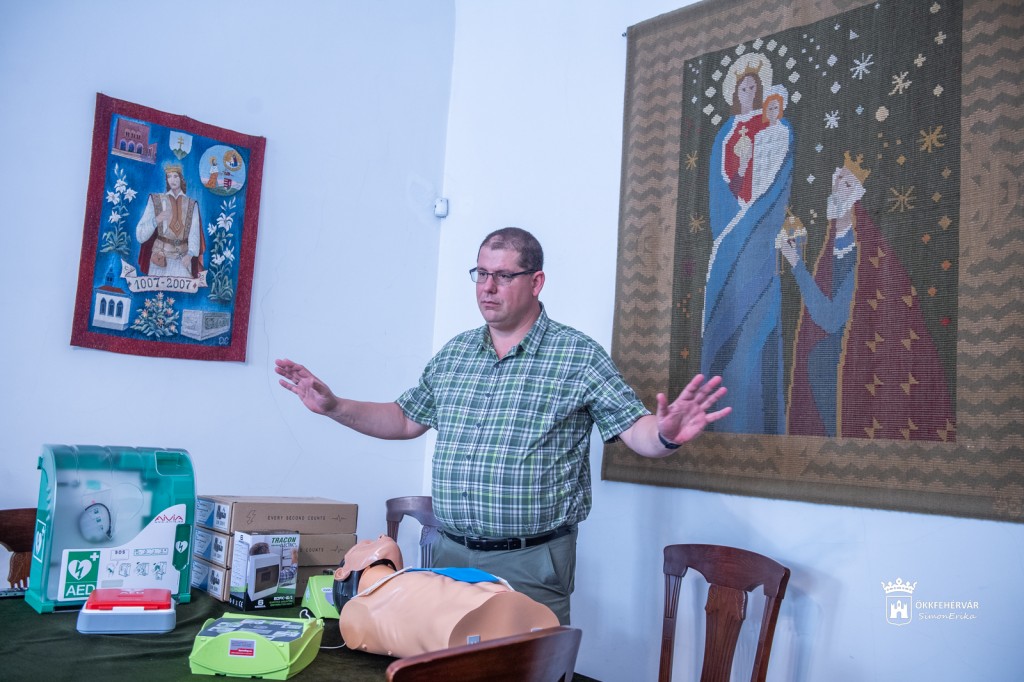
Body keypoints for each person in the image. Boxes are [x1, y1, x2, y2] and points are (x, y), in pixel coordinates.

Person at [276, 227, 731, 624]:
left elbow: (636, 432)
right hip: (449, 557)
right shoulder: (455, 354)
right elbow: (404, 419)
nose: (487, 287)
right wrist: (334, 406)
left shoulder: (577, 355)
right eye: (480, 274)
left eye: (503, 276)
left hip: (531, 562)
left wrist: (666, 433)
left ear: (536, 282)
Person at [782, 154, 954, 440]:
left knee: (822, 360)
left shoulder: (866, 252)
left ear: (858, 197)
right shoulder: (832, 246)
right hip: (842, 341)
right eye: (838, 179)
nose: (839, 188)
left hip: (867, 343)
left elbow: (830, 318)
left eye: (848, 185)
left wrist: (796, 264)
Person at [702, 55, 793, 436]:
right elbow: (719, 184)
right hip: (731, 227)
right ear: (734, 92)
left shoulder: (773, 126)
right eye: (744, 87)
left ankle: (758, 413)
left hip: (758, 230)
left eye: (755, 87)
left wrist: (755, 209)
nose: (750, 93)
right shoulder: (725, 133)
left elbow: (776, 171)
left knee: (759, 319)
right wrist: (739, 172)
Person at [136, 163, 204, 278]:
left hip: (182, 259)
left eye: (175, 176)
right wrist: (156, 220)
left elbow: (194, 233)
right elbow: (140, 235)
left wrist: (190, 254)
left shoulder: (192, 204)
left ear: (181, 178)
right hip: (159, 259)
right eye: (169, 176)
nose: (172, 180)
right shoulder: (156, 200)